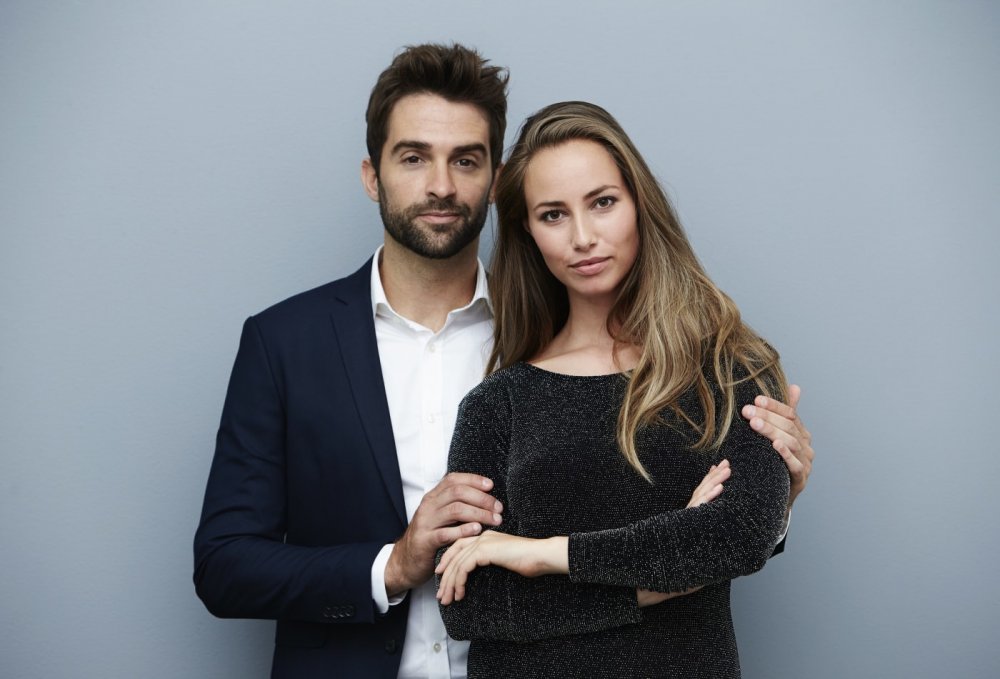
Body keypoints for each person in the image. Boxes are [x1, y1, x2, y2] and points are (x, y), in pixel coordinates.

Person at [193, 45, 814, 679]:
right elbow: (225, 564)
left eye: (466, 160)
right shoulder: (287, 344)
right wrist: (395, 564)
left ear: (494, 184)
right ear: (372, 175)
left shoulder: (536, 336)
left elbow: (721, 524)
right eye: (413, 157)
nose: (441, 185)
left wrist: (767, 509)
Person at [436, 101, 801, 678]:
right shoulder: (497, 403)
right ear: (528, 232)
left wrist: (541, 554)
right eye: (553, 215)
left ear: (639, 204)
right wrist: (668, 570)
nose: (583, 237)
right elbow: (470, 602)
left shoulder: (730, 367)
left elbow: (741, 532)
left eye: (602, 202)